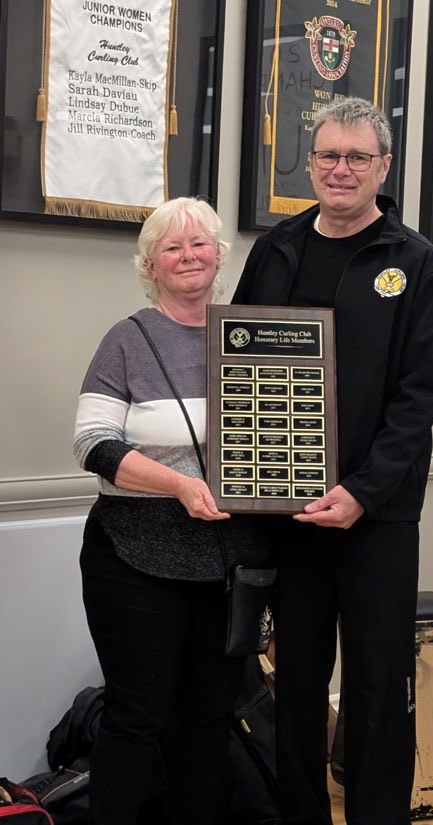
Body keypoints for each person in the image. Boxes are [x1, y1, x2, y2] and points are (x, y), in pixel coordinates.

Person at [232, 97, 433, 825]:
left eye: (358, 157)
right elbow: (239, 364)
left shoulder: (415, 263)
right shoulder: (276, 249)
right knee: (294, 686)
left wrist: (361, 490)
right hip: (289, 514)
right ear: (310, 161)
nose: (341, 169)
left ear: (383, 167)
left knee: (377, 688)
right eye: (328, 154)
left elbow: (418, 399)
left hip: (377, 517)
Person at [74, 197, 272, 825]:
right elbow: (93, 445)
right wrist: (180, 486)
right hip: (134, 554)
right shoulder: (127, 340)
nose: (189, 257)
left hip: (228, 563)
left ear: (221, 256)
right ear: (150, 264)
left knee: (210, 718)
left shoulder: (253, 334)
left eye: (201, 244)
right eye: (172, 247)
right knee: (137, 716)